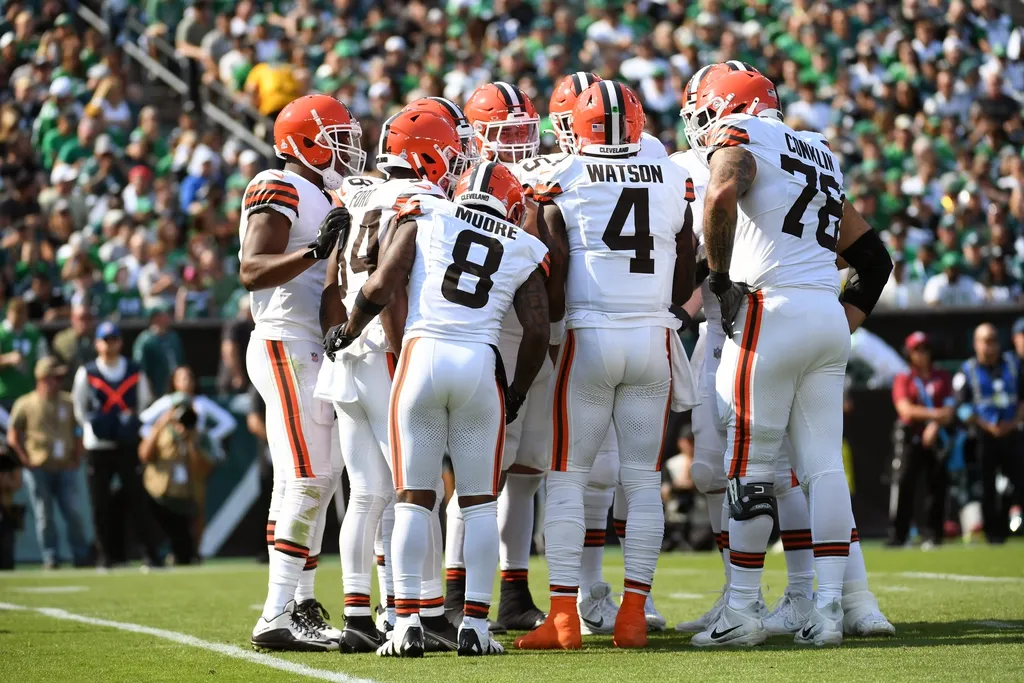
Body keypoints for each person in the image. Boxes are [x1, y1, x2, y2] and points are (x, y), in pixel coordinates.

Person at [673, 63, 893, 641]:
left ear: (727, 106)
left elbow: (721, 192)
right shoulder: (817, 149)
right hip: (824, 310)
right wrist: (835, 320)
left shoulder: (741, 137)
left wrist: (718, 279)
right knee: (823, 469)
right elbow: (872, 254)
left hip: (768, 310)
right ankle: (825, 611)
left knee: (748, 469)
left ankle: (742, 611)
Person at [324, 160, 549, 658]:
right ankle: (475, 625)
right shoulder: (524, 245)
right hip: (478, 363)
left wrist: (350, 328)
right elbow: (537, 329)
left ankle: (404, 623)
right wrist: (516, 390)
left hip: (422, 356)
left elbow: (383, 284)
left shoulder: (427, 215)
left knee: (412, 499)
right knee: (479, 503)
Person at [516, 80, 696, 652]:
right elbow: (688, 260)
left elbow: (554, 262)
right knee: (642, 478)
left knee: (567, 475)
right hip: (652, 336)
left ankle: (565, 618)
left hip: (591, 334)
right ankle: (633, 616)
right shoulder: (669, 171)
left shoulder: (562, 177)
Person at [314, 105, 465, 653]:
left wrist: (341, 329)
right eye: (450, 151)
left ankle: (358, 612)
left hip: (348, 352)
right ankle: (421, 613)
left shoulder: (360, 194)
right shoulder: (421, 201)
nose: (455, 162)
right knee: (414, 491)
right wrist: (402, 352)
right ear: (427, 152)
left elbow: (337, 271)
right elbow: (394, 286)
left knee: (367, 494)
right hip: (383, 348)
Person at [243, 94, 362, 652]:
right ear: (305, 140)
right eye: (337, 136)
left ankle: (301, 602)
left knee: (310, 479)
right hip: (284, 341)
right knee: (311, 477)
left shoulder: (325, 191)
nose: (347, 148)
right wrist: (317, 249)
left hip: (311, 344)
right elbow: (252, 269)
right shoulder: (280, 182)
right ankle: (276, 613)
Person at [71, 321, 161, 569]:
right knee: (100, 503)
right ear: (97, 343)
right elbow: (79, 409)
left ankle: (150, 555)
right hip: (97, 446)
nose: (110, 344)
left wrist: (127, 425)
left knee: (137, 499)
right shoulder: (87, 372)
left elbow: (144, 403)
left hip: (127, 444)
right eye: (105, 339)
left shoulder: (134, 370)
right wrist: (99, 425)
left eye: (114, 339)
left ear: (121, 342)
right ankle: (105, 557)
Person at [8, 357, 90, 569]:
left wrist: (78, 455)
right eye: (55, 377)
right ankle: (50, 557)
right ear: (42, 378)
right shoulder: (25, 403)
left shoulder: (68, 401)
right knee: (44, 516)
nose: (59, 381)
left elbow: (79, 429)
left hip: (65, 466)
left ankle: (81, 556)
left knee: (73, 512)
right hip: (38, 467)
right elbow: (13, 435)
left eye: (60, 377)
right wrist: (24, 459)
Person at [140, 365, 235, 541]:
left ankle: (195, 550)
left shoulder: (200, 403)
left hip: (193, 459)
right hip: (168, 462)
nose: (186, 382)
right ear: (173, 382)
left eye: (189, 378)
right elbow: (143, 422)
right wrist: (159, 434)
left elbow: (228, 422)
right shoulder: (167, 403)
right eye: (181, 378)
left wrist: (206, 437)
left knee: (197, 508)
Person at [954, 323, 1023, 544]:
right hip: (984, 437)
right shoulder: (967, 370)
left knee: (1019, 482)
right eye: (984, 340)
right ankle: (994, 533)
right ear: (975, 344)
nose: (989, 345)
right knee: (987, 485)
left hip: (1012, 433)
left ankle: (1014, 524)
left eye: (993, 340)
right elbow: (962, 408)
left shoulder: (1014, 365)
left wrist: (1013, 423)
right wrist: (986, 425)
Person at [889, 332, 955, 548]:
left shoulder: (941, 376)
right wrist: (936, 415)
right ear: (909, 353)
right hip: (910, 439)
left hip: (936, 439)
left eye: (925, 349)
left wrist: (935, 425)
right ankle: (900, 536)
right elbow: (905, 409)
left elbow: (950, 407)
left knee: (937, 487)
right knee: (904, 484)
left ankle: (933, 535)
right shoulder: (903, 378)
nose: (921, 354)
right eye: (916, 350)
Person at [138, 398, 212, 565]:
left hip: (184, 498)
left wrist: (191, 439)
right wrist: (160, 424)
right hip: (159, 494)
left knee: (184, 553)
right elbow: (144, 455)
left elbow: (200, 468)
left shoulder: (198, 436)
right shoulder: (161, 431)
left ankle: (188, 554)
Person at [0, 297, 49, 410]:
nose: (19, 318)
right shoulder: (1, 333)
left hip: (28, 393)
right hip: (3, 395)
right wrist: (8, 359)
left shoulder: (33, 334)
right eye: (16, 313)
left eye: (22, 313)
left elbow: (44, 360)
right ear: (8, 313)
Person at [132, 303, 185, 397]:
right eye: (164, 315)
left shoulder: (173, 337)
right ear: (155, 318)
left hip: (175, 388)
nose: (168, 317)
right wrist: (148, 391)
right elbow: (140, 369)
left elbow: (181, 363)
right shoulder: (145, 340)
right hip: (155, 389)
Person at [51, 304, 96, 392]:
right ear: (73, 319)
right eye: (81, 318)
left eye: (88, 318)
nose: (84, 323)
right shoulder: (62, 340)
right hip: (69, 389)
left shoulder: (99, 339)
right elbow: (55, 366)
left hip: (94, 389)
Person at [216, 294, 254, 395]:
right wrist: (237, 375)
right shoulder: (236, 325)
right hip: (232, 384)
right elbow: (229, 350)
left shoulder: (249, 325)